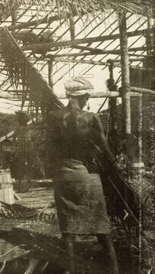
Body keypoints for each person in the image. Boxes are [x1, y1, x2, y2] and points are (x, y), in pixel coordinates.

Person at [44, 77, 119, 274]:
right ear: (83, 95)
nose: (87, 100)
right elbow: (104, 149)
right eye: (87, 96)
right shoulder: (91, 118)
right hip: (85, 175)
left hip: (63, 175)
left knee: (68, 231)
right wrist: (116, 167)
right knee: (102, 228)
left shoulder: (53, 116)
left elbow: (50, 148)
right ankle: (115, 270)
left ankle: (71, 271)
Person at [12, 111, 33, 192]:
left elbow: (14, 138)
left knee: (22, 166)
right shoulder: (28, 127)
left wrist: (17, 143)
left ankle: (23, 187)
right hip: (27, 146)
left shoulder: (19, 128)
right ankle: (26, 186)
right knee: (27, 166)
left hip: (23, 146)